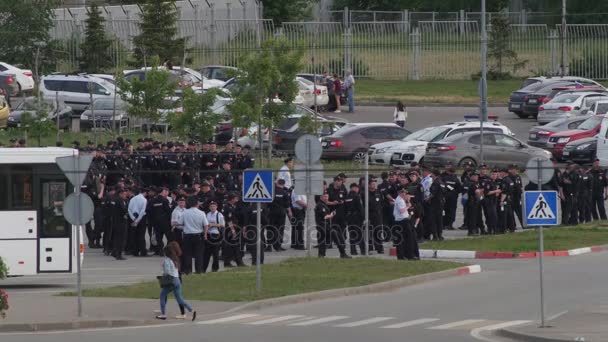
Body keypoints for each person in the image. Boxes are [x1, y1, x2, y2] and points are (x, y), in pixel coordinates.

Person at [156, 244, 196, 321]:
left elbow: (168, 271)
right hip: (177, 280)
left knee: (162, 296)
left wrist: (163, 274)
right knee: (180, 299)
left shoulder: (167, 260)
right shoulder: (175, 259)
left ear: (166, 252)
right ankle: (192, 310)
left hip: (171, 280)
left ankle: (163, 314)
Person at [315, 192, 350, 258]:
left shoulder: (323, 204)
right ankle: (342, 253)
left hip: (324, 227)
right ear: (321, 197)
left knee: (322, 241)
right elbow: (325, 217)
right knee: (336, 237)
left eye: (327, 196)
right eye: (324, 197)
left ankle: (321, 255)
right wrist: (332, 215)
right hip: (323, 226)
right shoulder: (320, 205)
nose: (326, 198)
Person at [180, 197, 208, 274]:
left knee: (187, 254)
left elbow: (180, 223)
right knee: (199, 254)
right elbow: (206, 225)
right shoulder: (201, 213)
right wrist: (205, 234)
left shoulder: (185, 212)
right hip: (198, 235)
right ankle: (199, 270)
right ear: (197, 204)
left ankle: (188, 270)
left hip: (187, 235)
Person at [393, 188, 419, 260]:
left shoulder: (402, 199)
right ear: (400, 193)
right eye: (403, 193)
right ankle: (405, 256)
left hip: (403, 220)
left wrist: (407, 200)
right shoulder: (400, 200)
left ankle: (405, 255)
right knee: (406, 239)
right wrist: (408, 206)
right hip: (402, 221)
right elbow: (402, 211)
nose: (404, 194)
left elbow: (408, 205)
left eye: (405, 193)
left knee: (405, 239)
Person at [203, 201, 224, 273]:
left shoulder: (219, 214)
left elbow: (222, 225)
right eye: (211, 206)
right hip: (208, 234)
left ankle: (215, 269)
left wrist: (213, 225)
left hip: (216, 235)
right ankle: (203, 268)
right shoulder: (207, 214)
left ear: (216, 207)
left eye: (214, 206)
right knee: (206, 253)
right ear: (209, 207)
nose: (212, 207)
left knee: (215, 253)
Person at [127, 188, 148, 257]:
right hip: (141, 219)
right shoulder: (144, 200)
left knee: (134, 235)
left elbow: (129, 209)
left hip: (133, 217)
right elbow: (142, 211)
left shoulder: (132, 199)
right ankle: (143, 252)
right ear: (144, 193)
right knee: (141, 235)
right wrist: (138, 220)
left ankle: (135, 251)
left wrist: (133, 219)